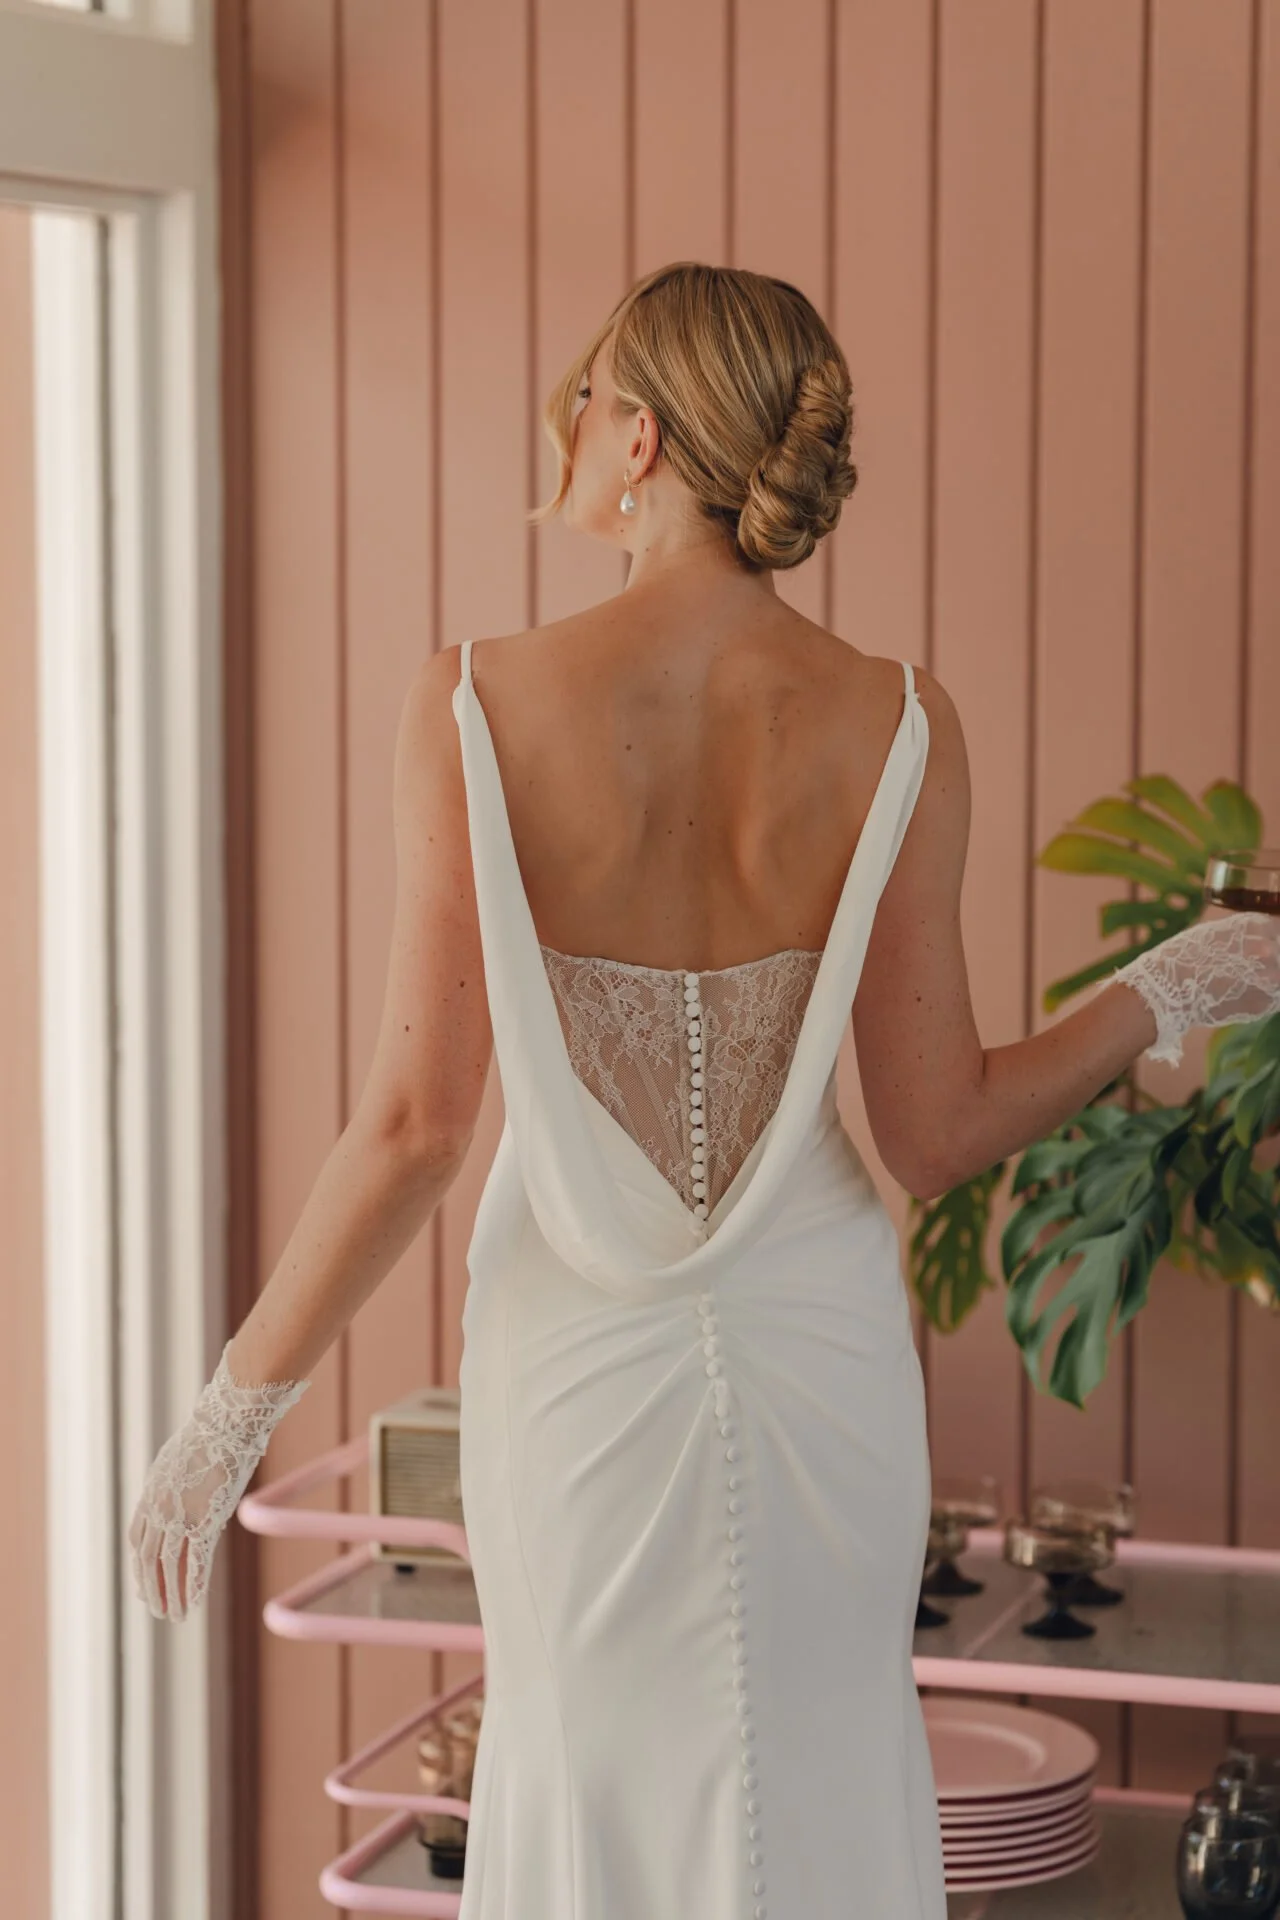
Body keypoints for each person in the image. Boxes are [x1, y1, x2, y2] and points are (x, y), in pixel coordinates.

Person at [129, 262, 1280, 1916]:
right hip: (822, 1377)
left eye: (587, 398)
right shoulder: (898, 723)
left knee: (584, 1767)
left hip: (575, 1386)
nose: (571, 428)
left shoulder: (471, 704)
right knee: (811, 1774)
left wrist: (231, 1410)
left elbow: (415, 1127)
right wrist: (1158, 993)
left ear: (644, 433)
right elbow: (937, 1128)